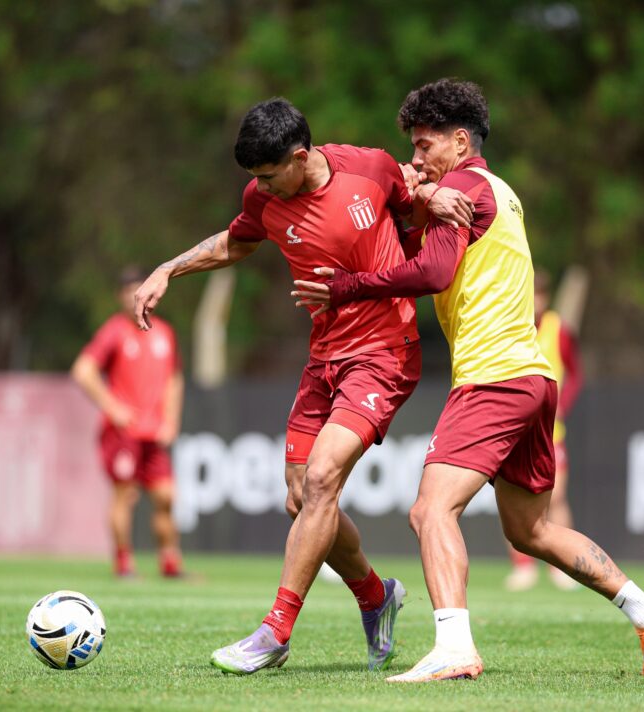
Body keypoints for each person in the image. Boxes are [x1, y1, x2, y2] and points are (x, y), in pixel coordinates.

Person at [292, 79, 644, 682]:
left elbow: (433, 271)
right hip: (531, 377)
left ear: (459, 140)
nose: (417, 158)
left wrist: (345, 285)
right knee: (530, 530)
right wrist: (413, 198)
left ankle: (454, 647)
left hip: (492, 378)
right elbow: (427, 251)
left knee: (430, 512)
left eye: (425, 146)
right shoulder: (495, 189)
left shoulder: (462, 188)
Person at [131, 97, 474, 675]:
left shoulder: (367, 169)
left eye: (269, 176)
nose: (261, 189)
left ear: (299, 156)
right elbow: (237, 241)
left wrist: (432, 193)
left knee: (320, 480)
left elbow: (411, 195)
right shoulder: (263, 196)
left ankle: (276, 632)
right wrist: (169, 267)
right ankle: (375, 596)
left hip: (385, 353)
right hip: (324, 357)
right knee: (301, 496)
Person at [71, 266, 186, 579]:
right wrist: (113, 408)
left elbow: (174, 380)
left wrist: (171, 420)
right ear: (121, 296)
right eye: (129, 291)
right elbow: (83, 370)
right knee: (125, 496)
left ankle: (170, 563)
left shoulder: (165, 332)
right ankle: (124, 563)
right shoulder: (115, 332)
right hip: (124, 433)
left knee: (166, 496)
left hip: (154, 432)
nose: (136, 296)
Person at [504, 268, 582, 592]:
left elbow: (575, 373)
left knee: (557, 496)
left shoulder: (557, 329)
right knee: (512, 495)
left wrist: (565, 402)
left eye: (539, 295)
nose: (535, 302)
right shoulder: (509, 325)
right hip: (514, 424)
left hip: (551, 428)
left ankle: (562, 566)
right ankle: (523, 567)